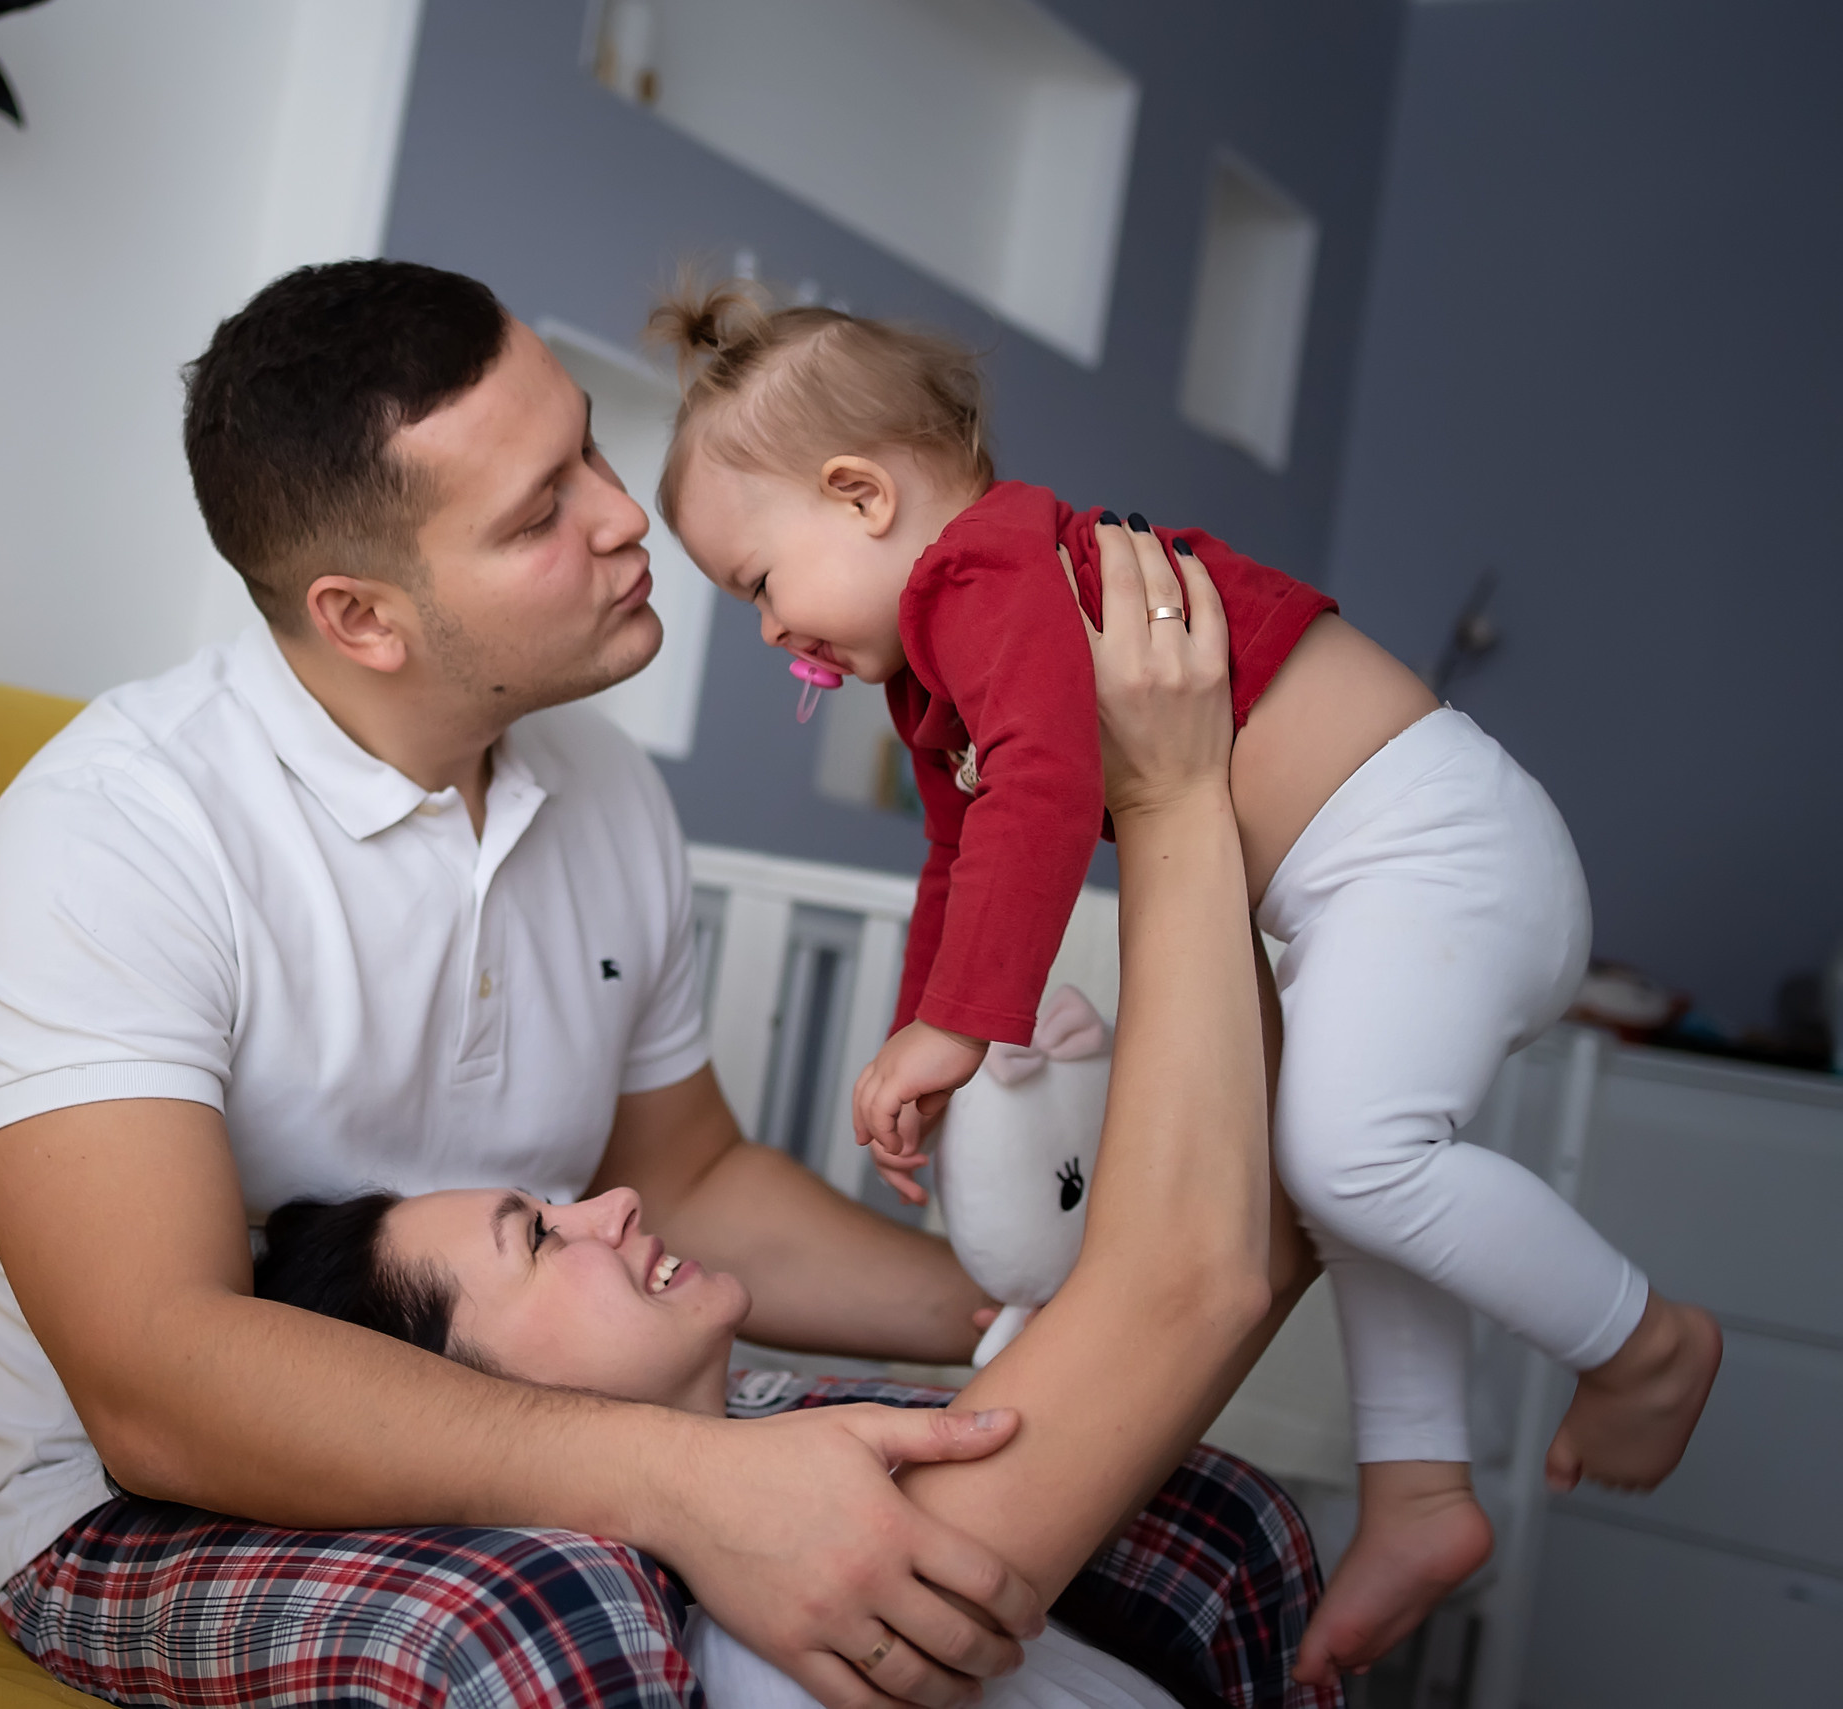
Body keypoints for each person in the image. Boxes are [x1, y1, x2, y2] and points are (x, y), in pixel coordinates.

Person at [0, 258, 1299, 1709]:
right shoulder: (115, 833)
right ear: (365, 617)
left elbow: (687, 1175)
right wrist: (691, 1484)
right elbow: (156, 1379)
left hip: (566, 1395)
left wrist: (1020, 1314)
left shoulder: (600, 785)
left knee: (1198, 1519)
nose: (625, 512)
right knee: (559, 1615)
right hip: (147, 1505)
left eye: (587, 440)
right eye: (541, 512)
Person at [644, 279, 1724, 1685]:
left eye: (758, 587)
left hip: (1437, 849)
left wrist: (961, 1024)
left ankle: (1643, 1339)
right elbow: (963, 856)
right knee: (1320, 1161)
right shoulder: (934, 671)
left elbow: (1042, 787)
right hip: (1356, 895)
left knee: (1351, 1154)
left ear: (858, 496)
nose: (775, 635)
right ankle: (1421, 1488)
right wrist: (931, 1033)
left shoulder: (984, 571)